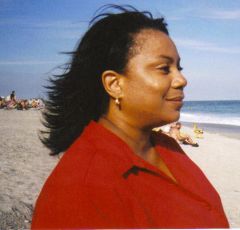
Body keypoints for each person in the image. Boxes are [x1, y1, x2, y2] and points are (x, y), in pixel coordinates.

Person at [31, 5, 229, 228]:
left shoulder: (165, 147)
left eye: (179, 68)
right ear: (115, 85)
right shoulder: (81, 189)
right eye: (164, 68)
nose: (182, 80)